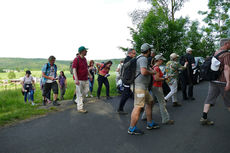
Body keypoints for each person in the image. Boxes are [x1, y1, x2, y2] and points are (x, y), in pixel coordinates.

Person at [128, 43, 159, 135]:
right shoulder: (143, 59)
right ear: (148, 51)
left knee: (150, 102)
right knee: (138, 107)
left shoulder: (139, 57)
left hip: (142, 87)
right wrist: (152, 72)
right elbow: (144, 72)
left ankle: (150, 123)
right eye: (150, 50)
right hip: (139, 87)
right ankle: (131, 128)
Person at [200, 38, 230, 125]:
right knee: (228, 102)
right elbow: (227, 68)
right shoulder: (227, 54)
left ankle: (204, 118)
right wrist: (228, 81)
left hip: (213, 80)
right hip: (223, 81)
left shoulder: (216, 53)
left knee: (209, 99)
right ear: (226, 44)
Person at [150, 54, 174, 124]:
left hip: (153, 86)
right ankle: (166, 119)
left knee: (152, 102)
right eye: (162, 60)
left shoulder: (154, 67)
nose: (162, 61)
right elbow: (156, 78)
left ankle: (145, 116)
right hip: (157, 87)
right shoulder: (157, 68)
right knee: (162, 102)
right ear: (159, 60)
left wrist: (165, 76)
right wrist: (165, 78)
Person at [72, 46, 92, 113]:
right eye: (85, 51)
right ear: (82, 51)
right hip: (79, 79)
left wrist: (90, 75)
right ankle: (80, 108)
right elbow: (74, 69)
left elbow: (86, 68)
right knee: (80, 94)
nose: (86, 52)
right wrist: (76, 79)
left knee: (86, 91)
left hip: (85, 78)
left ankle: (77, 100)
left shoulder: (85, 59)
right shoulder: (76, 59)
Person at [117, 48, 136, 114]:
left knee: (131, 93)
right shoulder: (128, 59)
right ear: (129, 53)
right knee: (126, 94)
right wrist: (129, 80)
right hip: (127, 80)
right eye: (133, 53)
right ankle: (120, 109)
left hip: (129, 80)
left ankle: (139, 107)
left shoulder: (130, 59)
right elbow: (127, 71)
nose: (135, 54)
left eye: (135, 53)